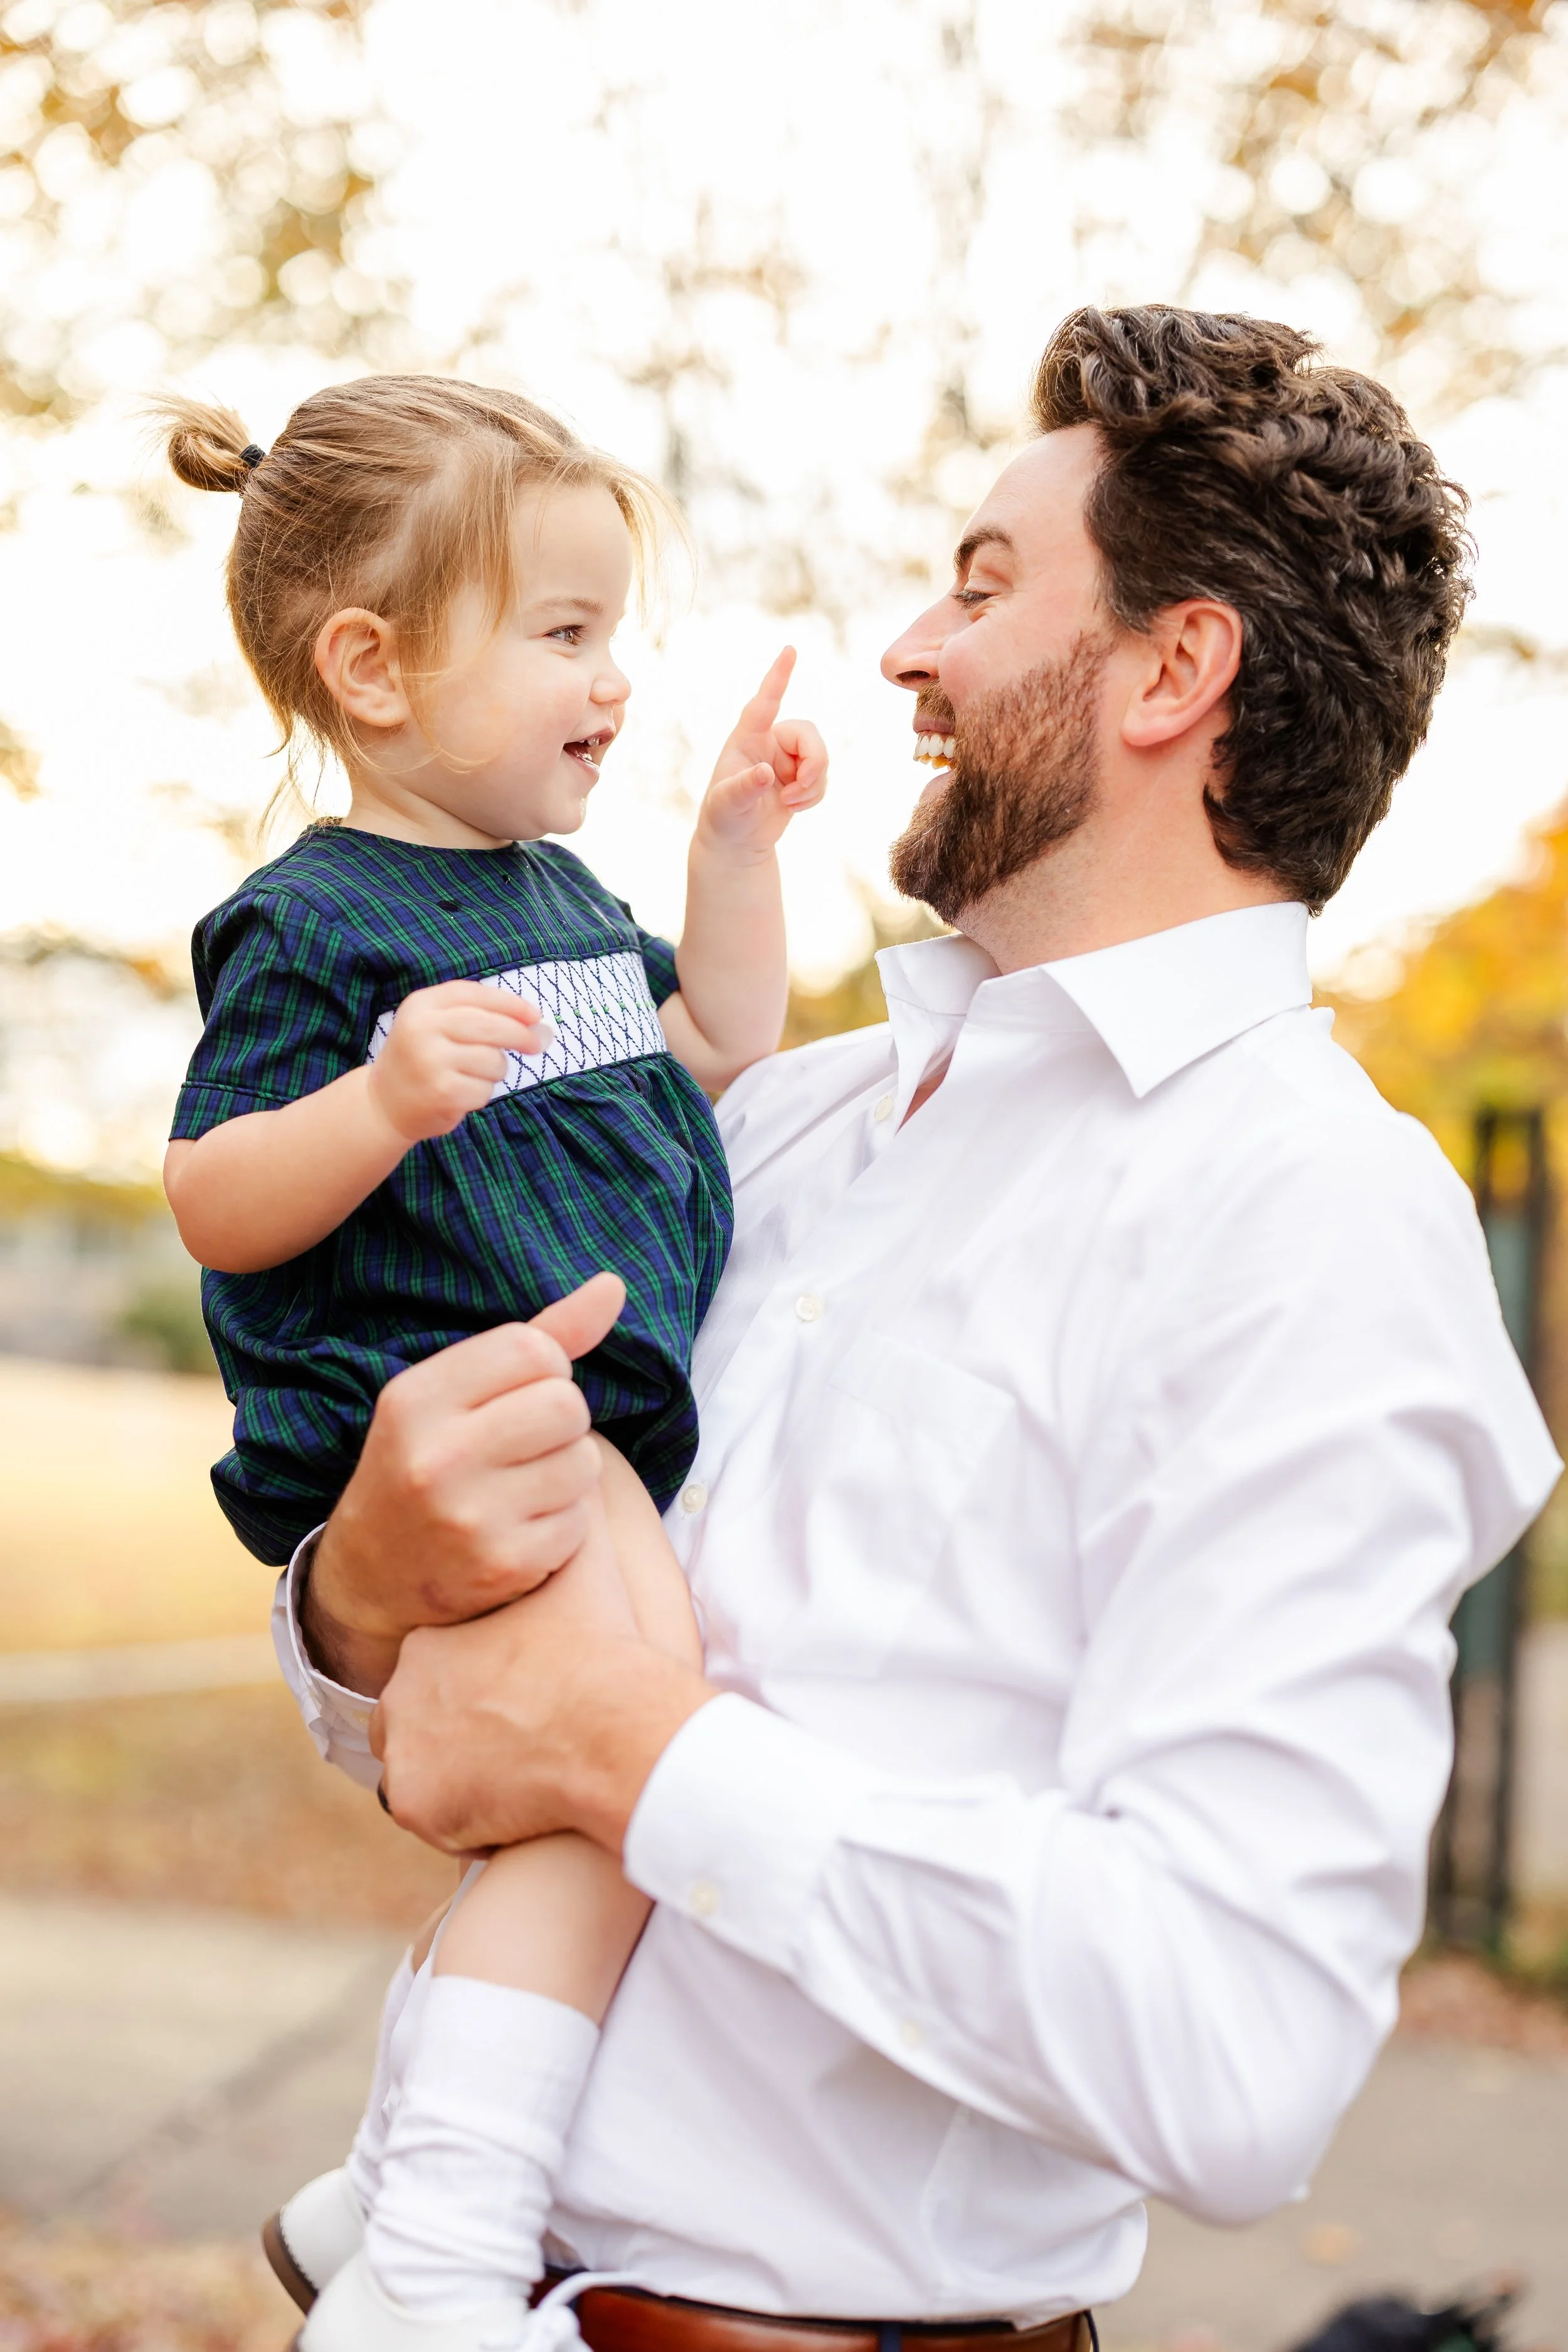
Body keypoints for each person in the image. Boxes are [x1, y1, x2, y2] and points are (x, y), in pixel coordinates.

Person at [275, 308, 1560, 2351]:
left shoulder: (1309, 1218)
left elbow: (1228, 2051)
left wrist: (641, 1759)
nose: (903, 651)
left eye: (980, 584)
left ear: (1170, 668)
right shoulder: (782, 1127)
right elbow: (436, 1728)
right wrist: (354, 1596)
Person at [156, 379, 826, 2351]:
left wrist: (732, 846)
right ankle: (433, 2260)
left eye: (614, 631)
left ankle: (378, 2190)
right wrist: (374, 1102)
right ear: (367, 668)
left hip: (584, 1425)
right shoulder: (321, 925)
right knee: (623, 1779)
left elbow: (713, 1043)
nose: (610, 674)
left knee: (612, 1792)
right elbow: (209, 1192)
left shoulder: (556, 905)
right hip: (470, 1414)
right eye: (561, 631)